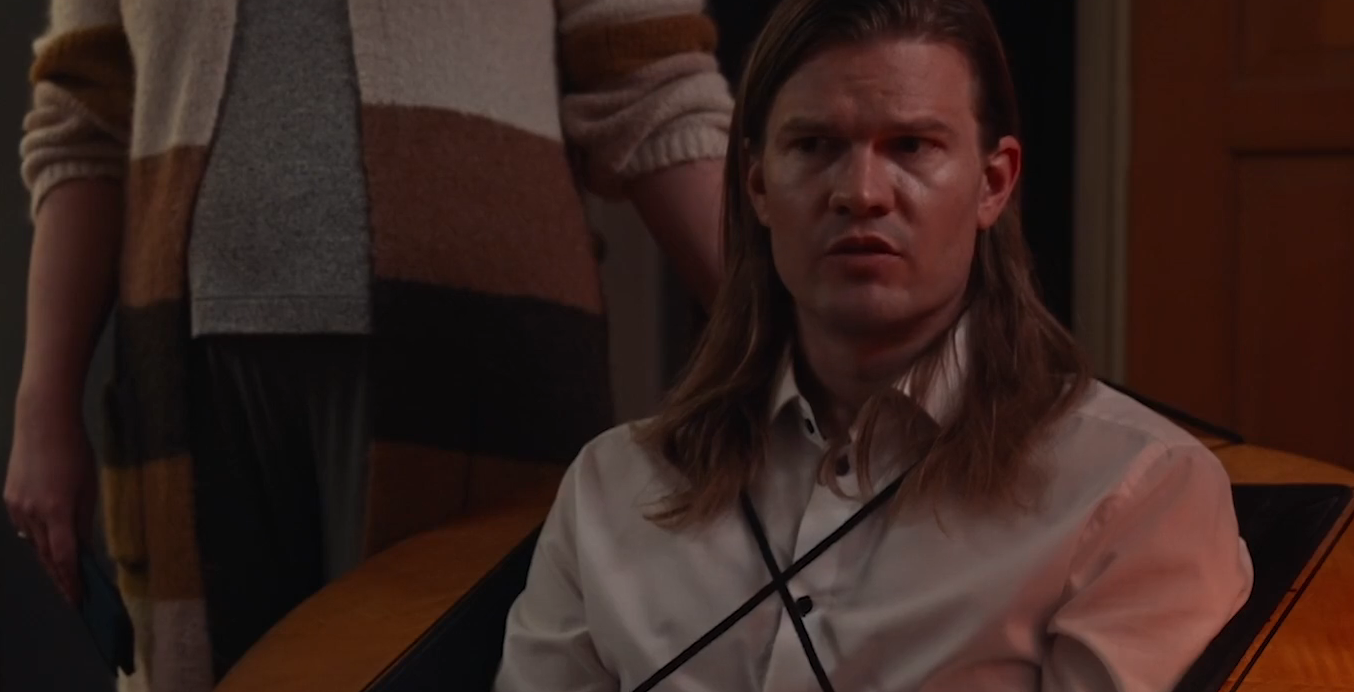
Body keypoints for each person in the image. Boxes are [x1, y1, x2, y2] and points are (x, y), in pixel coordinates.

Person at [492, 0, 1255, 690]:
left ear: (994, 183)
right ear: (756, 185)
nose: (860, 191)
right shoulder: (612, 489)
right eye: (814, 145)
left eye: (912, 146)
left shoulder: (1137, 493)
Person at [5, 0, 732, 689]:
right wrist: (43, 405)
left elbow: (649, 72)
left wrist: (779, 336)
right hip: (191, 385)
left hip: (479, 367)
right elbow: (85, 114)